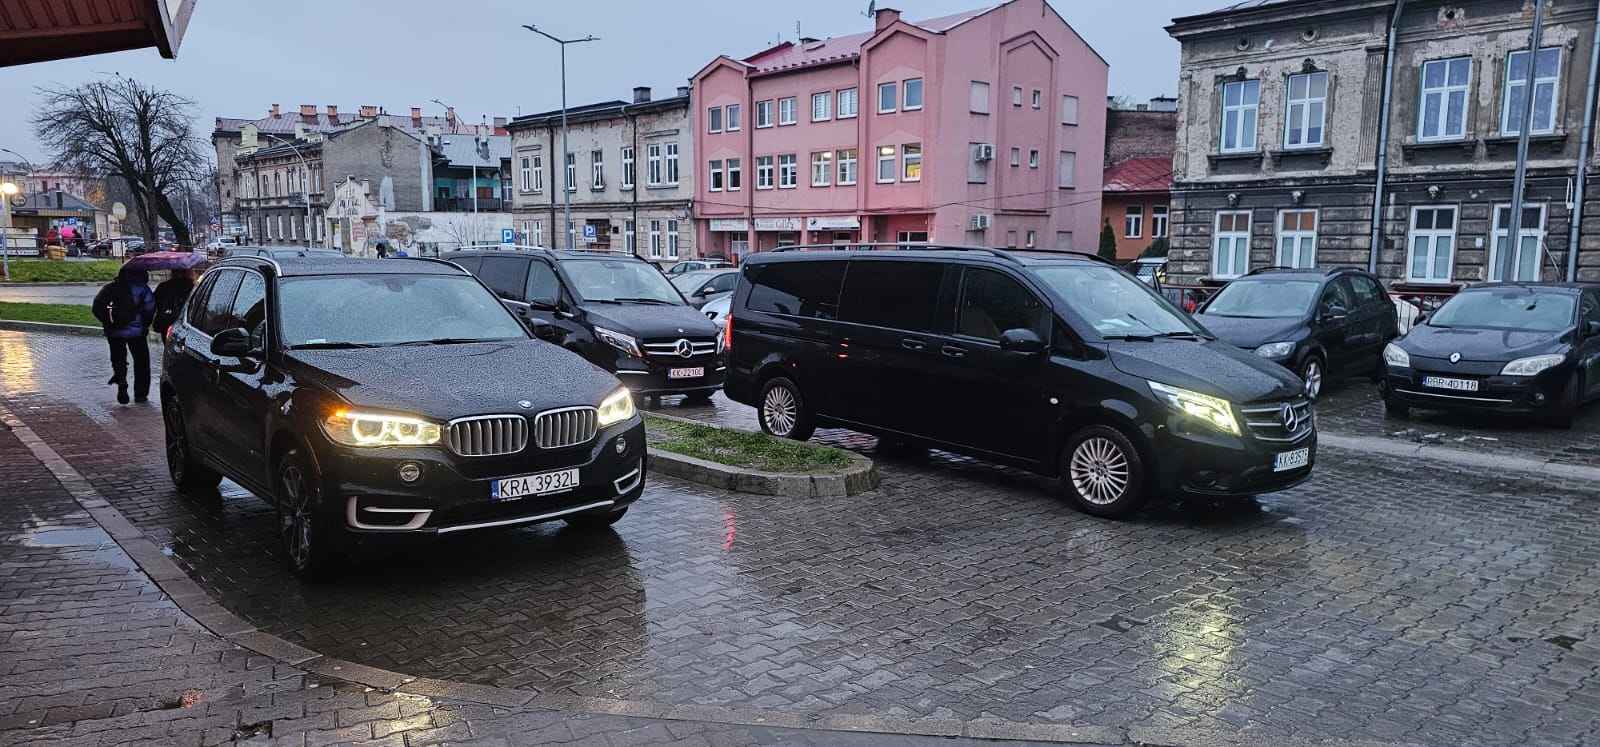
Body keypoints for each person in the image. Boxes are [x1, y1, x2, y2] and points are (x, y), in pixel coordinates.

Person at [91, 266, 156, 405]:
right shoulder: (143, 289)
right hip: (137, 332)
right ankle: (140, 394)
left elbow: (96, 307)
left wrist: (108, 322)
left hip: (114, 332)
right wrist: (145, 324)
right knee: (141, 362)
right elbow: (150, 308)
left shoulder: (110, 288)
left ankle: (121, 381)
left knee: (118, 359)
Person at [153, 268, 196, 339]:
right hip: (185, 323)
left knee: (167, 343)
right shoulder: (192, 287)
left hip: (166, 321)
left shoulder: (163, 286)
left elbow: (154, 302)